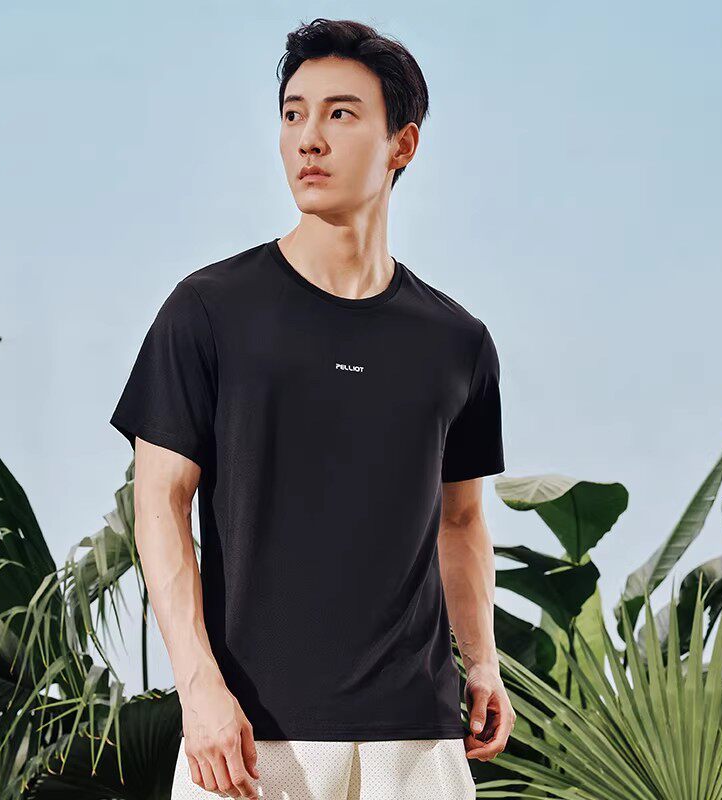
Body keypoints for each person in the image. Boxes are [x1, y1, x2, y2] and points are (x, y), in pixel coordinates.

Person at [110, 17, 515, 800]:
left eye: (340, 113)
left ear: (403, 144)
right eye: (293, 114)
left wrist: (484, 661)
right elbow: (159, 503)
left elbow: (461, 522)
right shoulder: (208, 312)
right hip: (249, 737)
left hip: (418, 741)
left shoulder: (457, 341)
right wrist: (198, 687)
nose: (308, 139)